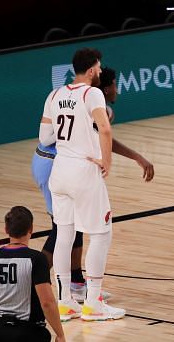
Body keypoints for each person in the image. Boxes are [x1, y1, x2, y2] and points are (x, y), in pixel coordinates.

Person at [31, 67, 153, 303]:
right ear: (105, 88)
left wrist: (136, 156)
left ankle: (75, 283)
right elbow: (103, 135)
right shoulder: (96, 106)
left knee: (71, 227)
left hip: (48, 161)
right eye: (115, 84)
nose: (118, 89)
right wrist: (129, 158)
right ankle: (33, 282)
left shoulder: (75, 98)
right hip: (55, 162)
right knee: (63, 229)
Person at [39, 48, 125, 322]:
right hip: (83, 171)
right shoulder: (93, 93)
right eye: (98, 68)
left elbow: (45, 135)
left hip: (59, 171)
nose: (100, 72)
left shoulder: (54, 94)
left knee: (64, 236)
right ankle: (93, 303)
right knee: (101, 234)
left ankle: (64, 303)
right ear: (90, 71)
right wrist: (106, 161)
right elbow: (106, 128)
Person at [0, 206, 66, 342]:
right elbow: (47, 302)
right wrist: (60, 334)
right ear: (31, 229)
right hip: (32, 333)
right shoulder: (36, 259)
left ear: (6, 229)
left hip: (2, 332)